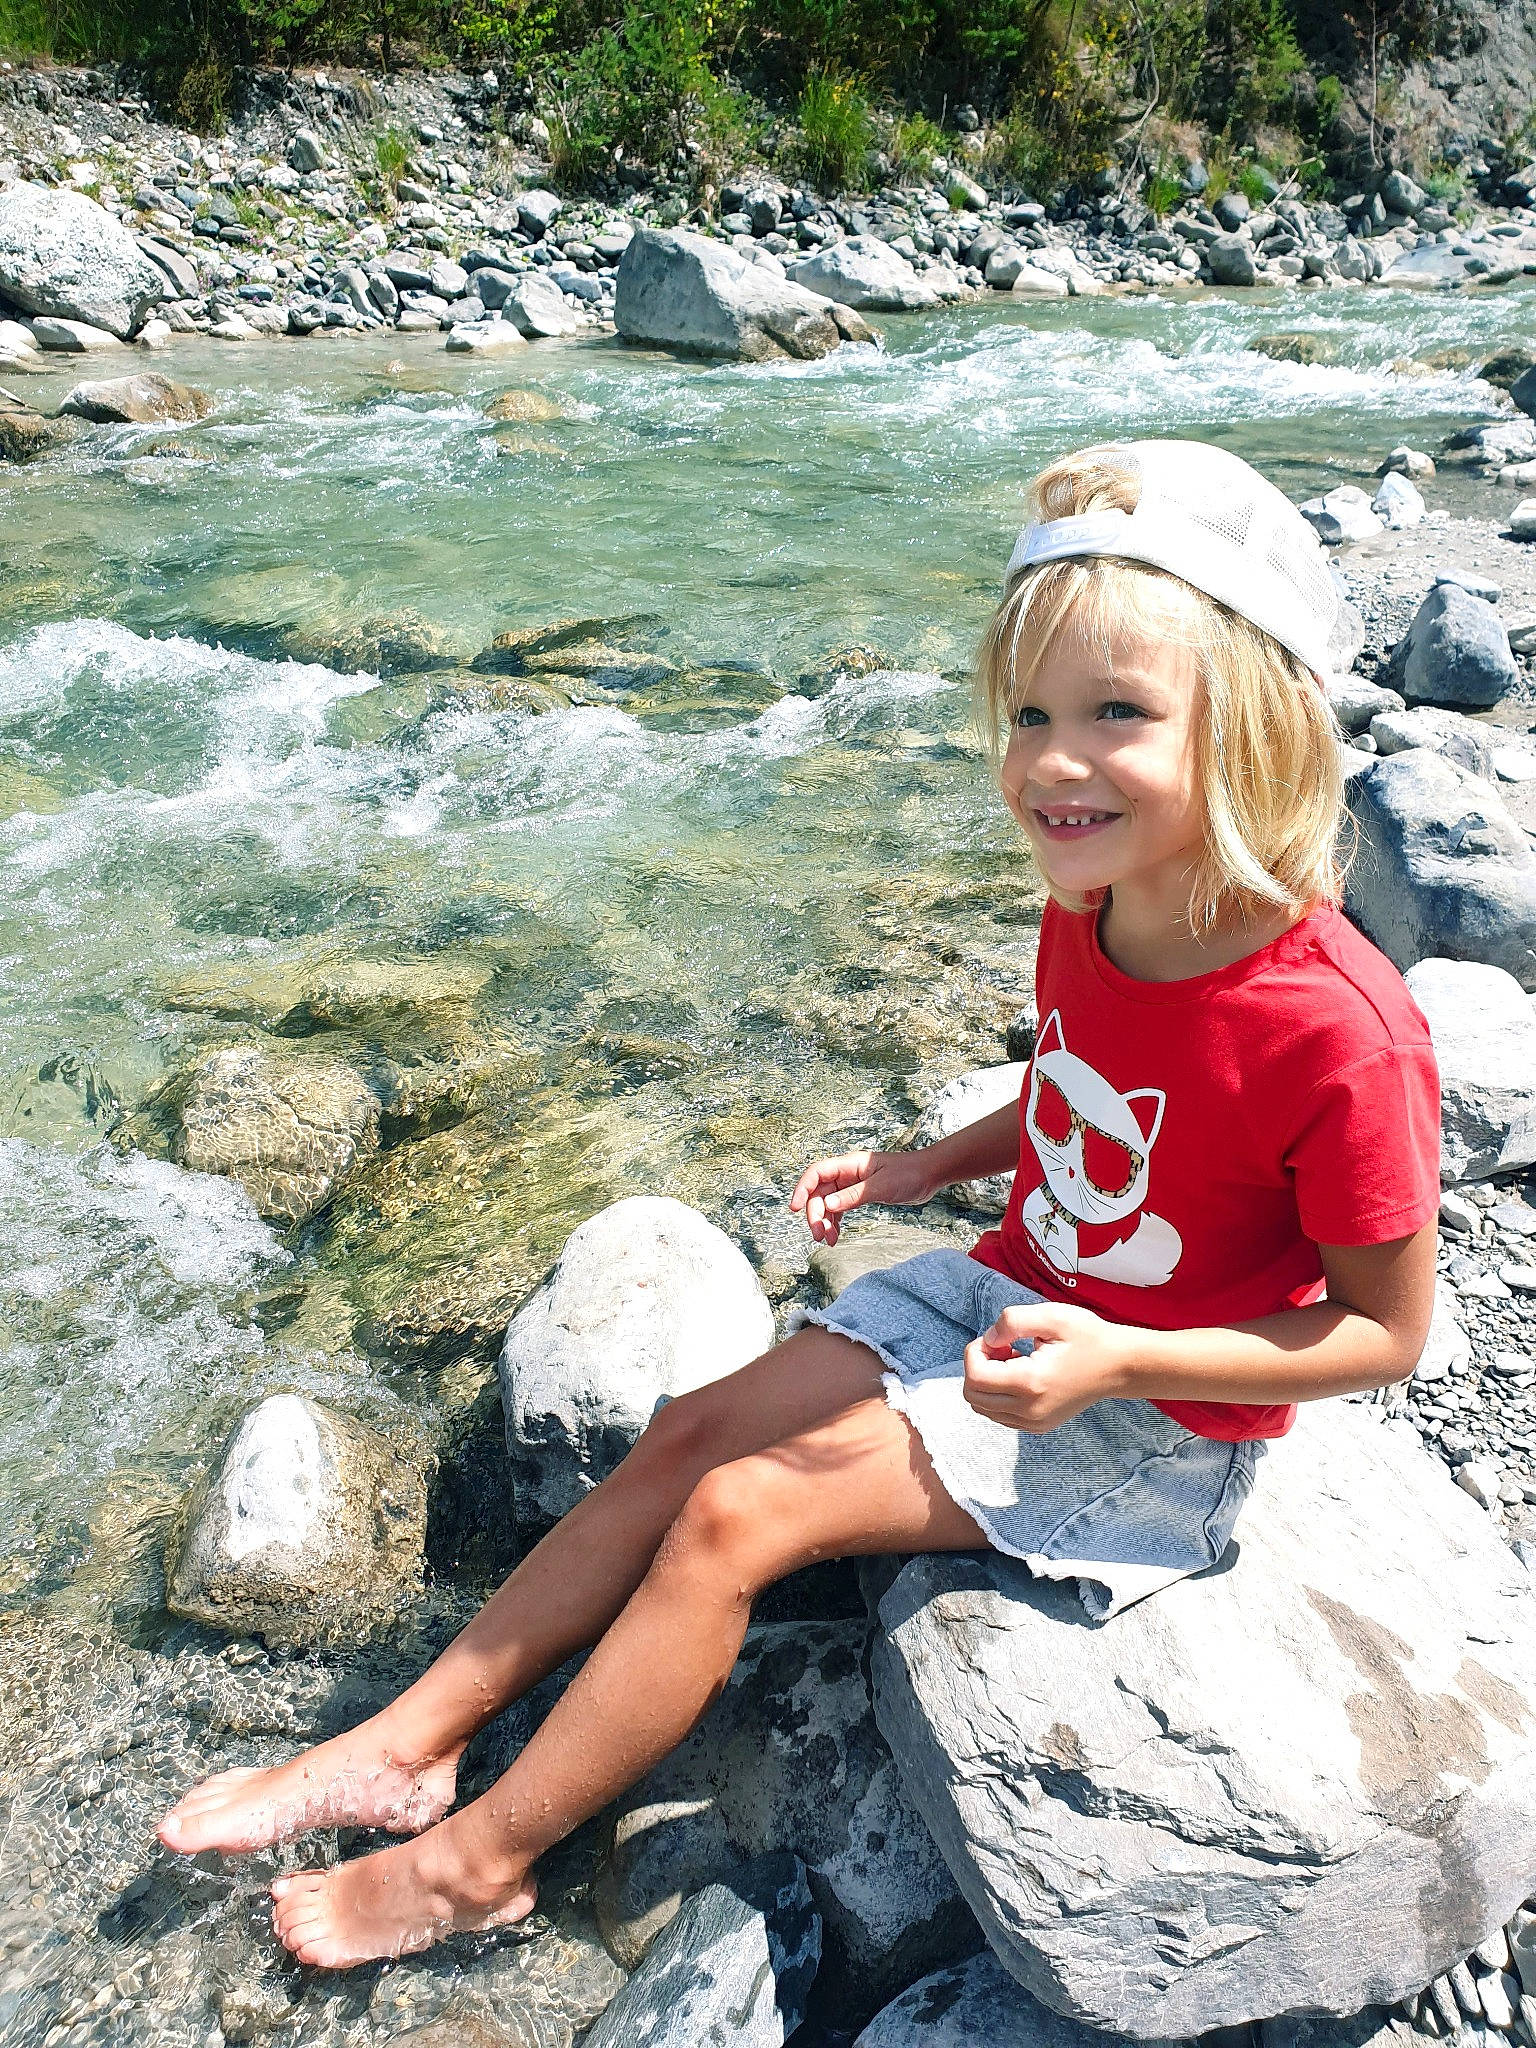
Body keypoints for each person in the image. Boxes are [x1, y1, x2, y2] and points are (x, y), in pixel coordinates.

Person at [157, 438, 1442, 1971]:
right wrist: (924, 1170)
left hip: (1158, 1421)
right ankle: (411, 1738)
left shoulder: (1340, 1031)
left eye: (1117, 714)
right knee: (691, 1425)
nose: (1051, 760)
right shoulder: (1095, 900)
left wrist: (1121, 1363)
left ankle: (479, 1867)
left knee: (734, 1517)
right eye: (1030, 713)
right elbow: (1095, 1097)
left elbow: (1380, 1333)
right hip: (1018, 1290)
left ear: (1255, 734)